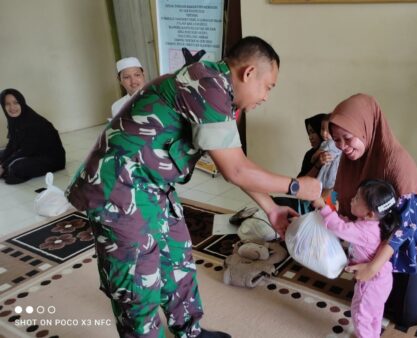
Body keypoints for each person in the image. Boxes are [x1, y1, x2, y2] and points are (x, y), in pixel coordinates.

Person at [65, 36, 321, 338]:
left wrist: (272, 208)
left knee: (177, 260)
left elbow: (234, 164)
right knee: (137, 285)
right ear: (249, 73)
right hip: (118, 188)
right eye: (269, 86)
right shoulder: (208, 85)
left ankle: (190, 332)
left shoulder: (218, 90)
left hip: (153, 186)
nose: (266, 97)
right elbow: (236, 169)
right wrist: (297, 186)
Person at [324, 93, 417, 329]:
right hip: (376, 241)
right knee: (370, 301)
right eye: (337, 140)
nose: (343, 147)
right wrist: (322, 210)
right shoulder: (350, 161)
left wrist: (373, 266)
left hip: (411, 244)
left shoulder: (397, 162)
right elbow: (337, 196)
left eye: (347, 138)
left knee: (407, 316)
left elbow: (407, 224)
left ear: (367, 129)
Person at [313, 179, 396, 338]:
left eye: (357, 198)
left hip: (370, 284)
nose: (352, 199)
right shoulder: (375, 224)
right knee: (375, 312)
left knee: (360, 314)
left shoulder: (363, 230)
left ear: (370, 214)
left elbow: (339, 228)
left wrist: (324, 208)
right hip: (383, 280)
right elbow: (349, 226)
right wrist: (336, 214)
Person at [0, 89, 65, 184]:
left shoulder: (33, 122)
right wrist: (2, 162)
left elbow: (26, 150)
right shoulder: (13, 121)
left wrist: (4, 165)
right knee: (3, 155)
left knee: (15, 168)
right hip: (31, 152)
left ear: (22, 103)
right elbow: (12, 144)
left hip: (50, 158)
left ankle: (7, 170)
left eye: (16, 102)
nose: (12, 107)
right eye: (7, 104)